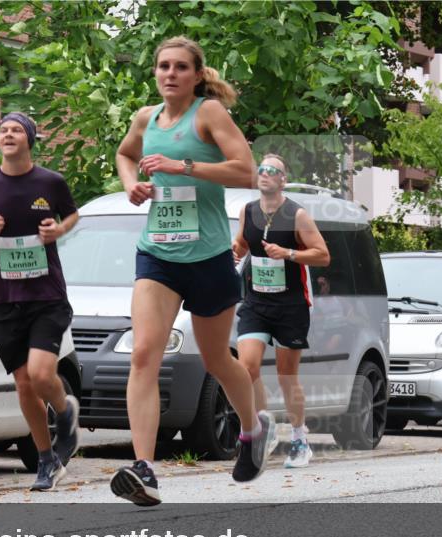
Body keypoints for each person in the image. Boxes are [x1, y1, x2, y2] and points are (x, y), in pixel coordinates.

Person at [109, 36, 272, 507]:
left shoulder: (208, 115)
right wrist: (132, 185)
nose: (170, 74)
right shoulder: (146, 118)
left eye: (181, 67)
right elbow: (125, 154)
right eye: (163, 66)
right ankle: (145, 469)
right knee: (143, 354)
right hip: (158, 254)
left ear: (197, 75)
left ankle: (252, 428)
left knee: (218, 359)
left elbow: (246, 172)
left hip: (208, 257)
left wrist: (185, 166)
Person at [0, 112, 81, 490]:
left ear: (29, 139)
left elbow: (72, 215)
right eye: (3, 130)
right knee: (24, 385)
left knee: (42, 374)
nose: (8, 134)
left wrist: (58, 230)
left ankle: (64, 413)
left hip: (47, 296)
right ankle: (47, 459)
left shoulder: (50, 182)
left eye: (16, 130)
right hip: (6, 300)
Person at [232, 154, 330, 468]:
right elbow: (242, 245)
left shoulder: (296, 215)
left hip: (291, 304)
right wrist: (235, 250)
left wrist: (288, 253)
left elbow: (322, 255)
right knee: (246, 367)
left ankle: (300, 441)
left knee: (288, 376)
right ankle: (264, 426)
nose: (265, 174)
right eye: (261, 169)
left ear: (282, 180)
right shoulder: (247, 212)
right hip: (256, 303)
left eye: (273, 170)